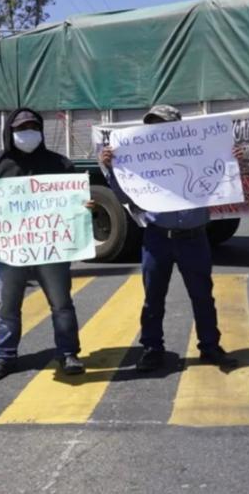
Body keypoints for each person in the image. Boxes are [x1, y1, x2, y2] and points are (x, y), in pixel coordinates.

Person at [99, 104, 238, 372]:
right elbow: (127, 197)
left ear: (178, 127)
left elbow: (222, 181)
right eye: (152, 125)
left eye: (162, 124)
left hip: (194, 238)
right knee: (153, 297)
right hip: (157, 238)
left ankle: (210, 346)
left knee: (202, 296)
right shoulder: (142, 161)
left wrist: (232, 159)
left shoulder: (200, 154)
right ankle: (152, 349)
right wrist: (111, 169)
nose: (156, 129)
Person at [0, 108, 90, 382]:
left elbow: (75, 205)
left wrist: (85, 204)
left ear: (40, 130)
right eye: (20, 128)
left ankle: (68, 353)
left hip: (52, 250)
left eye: (32, 126)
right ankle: (4, 357)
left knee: (61, 304)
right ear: (10, 131)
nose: (26, 132)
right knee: (7, 307)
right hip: (9, 249)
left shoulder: (61, 164)